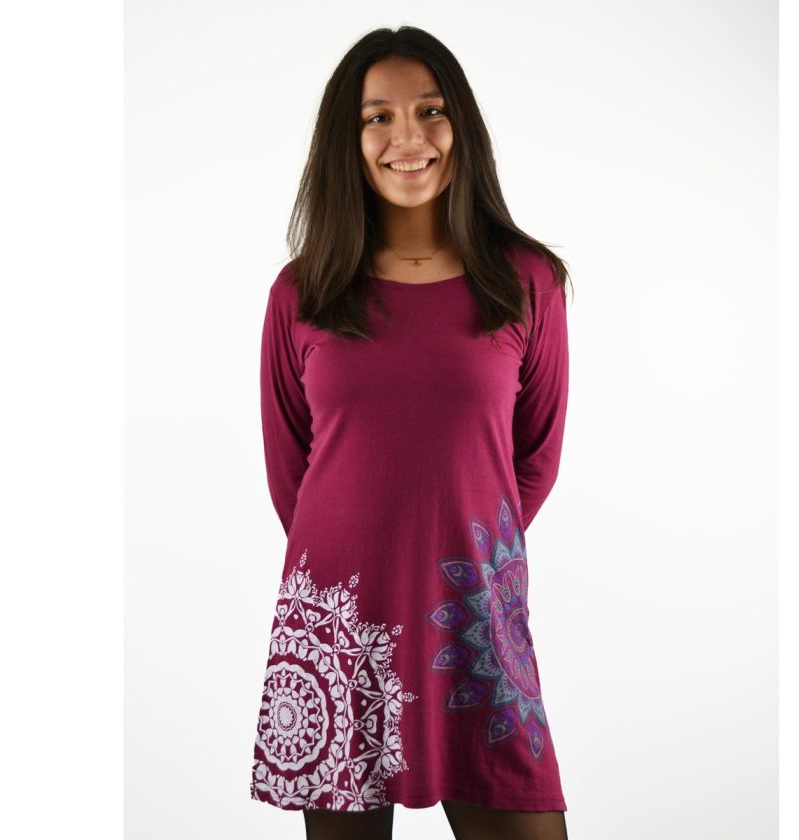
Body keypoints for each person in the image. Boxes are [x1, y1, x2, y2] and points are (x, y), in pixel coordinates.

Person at [249, 25, 573, 840]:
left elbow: (534, 457)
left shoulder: (527, 281)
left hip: (473, 615)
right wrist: (369, 549)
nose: (408, 137)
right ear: (348, 140)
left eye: (431, 111)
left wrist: (459, 545)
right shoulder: (302, 293)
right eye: (378, 117)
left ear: (461, 124)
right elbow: (292, 474)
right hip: (338, 620)